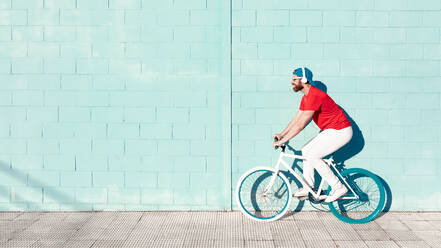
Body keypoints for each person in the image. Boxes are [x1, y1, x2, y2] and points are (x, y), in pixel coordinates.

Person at [272, 67, 353, 203]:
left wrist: (282, 141)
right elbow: (297, 118)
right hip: (331, 130)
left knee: (314, 155)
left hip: (340, 131)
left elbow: (301, 125)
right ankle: (308, 187)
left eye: (294, 79)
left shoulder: (315, 95)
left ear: (303, 80)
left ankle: (338, 187)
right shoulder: (306, 97)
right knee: (306, 151)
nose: (291, 82)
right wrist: (282, 134)